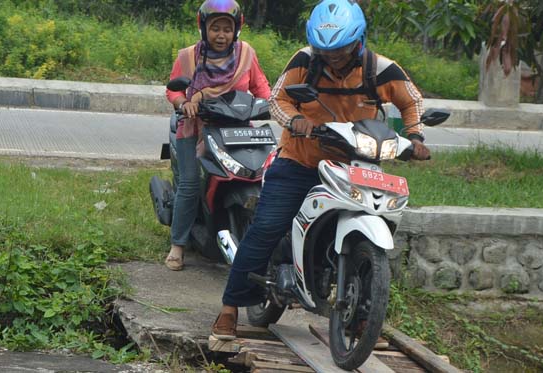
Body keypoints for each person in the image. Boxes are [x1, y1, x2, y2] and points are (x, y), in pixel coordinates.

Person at [211, 0, 430, 342]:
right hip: (299, 161)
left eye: (341, 50)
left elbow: (412, 100)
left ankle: (361, 306)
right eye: (325, 51)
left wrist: (415, 136)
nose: (333, 58)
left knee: (379, 217)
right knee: (267, 227)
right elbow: (278, 100)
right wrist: (296, 121)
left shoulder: (380, 68)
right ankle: (229, 307)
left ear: (358, 40)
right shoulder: (304, 60)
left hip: (356, 164)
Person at [164, 0, 271, 271]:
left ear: (236, 30)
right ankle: (178, 245)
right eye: (215, 28)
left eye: (227, 28)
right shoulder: (188, 56)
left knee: (263, 178)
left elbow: (261, 87)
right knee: (189, 185)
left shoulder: (246, 54)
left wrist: (269, 104)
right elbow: (173, 91)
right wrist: (183, 104)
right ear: (204, 28)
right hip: (195, 127)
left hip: (238, 129)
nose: (221, 35)